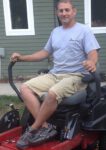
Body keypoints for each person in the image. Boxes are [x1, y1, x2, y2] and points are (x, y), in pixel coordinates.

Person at [11, 0, 100, 149]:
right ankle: (46, 127)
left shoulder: (84, 30)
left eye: (67, 10)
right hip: (55, 74)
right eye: (61, 11)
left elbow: (93, 53)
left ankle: (33, 129)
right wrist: (22, 57)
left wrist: (91, 61)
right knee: (25, 88)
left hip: (75, 76)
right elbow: (44, 53)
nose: (64, 13)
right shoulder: (56, 32)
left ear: (74, 11)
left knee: (52, 93)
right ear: (57, 13)